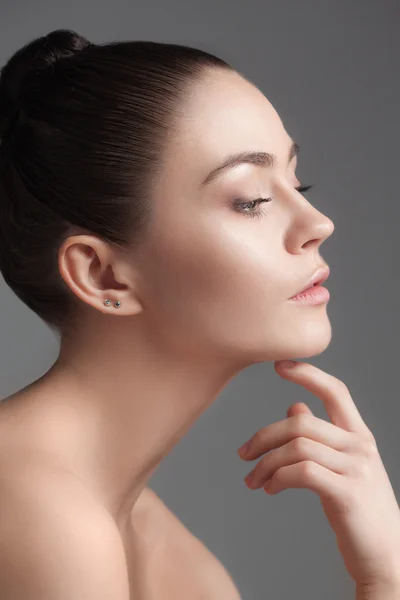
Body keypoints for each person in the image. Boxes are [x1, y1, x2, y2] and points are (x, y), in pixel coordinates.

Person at [0, 28, 399, 600]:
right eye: (252, 201)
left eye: (296, 179)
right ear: (102, 274)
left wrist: (384, 574)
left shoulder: (171, 557)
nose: (318, 223)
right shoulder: (36, 510)